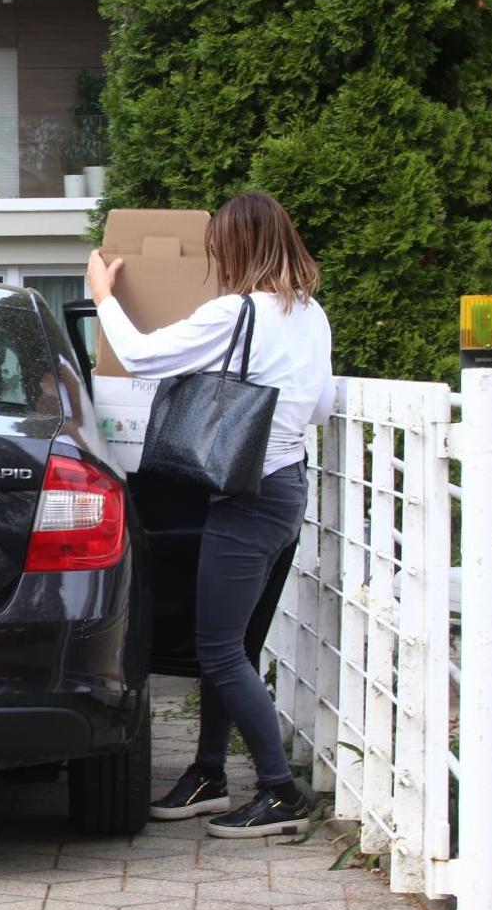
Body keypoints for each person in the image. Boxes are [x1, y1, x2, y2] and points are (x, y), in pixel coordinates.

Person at [85, 190, 334, 838]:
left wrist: (102, 296)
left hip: (245, 498)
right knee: (237, 645)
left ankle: (279, 792)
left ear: (235, 247)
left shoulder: (235, 312)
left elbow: (138, 356)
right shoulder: (312, 315)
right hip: (286, 490)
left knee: (217, 649)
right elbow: (322, 408)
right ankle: (210, 775)